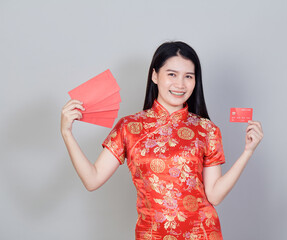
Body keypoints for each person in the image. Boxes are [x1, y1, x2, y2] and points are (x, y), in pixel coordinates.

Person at [61, 41, 264, 240]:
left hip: (202, 233)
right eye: (172, 74)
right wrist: (67, 133)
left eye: (188, 76)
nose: (180, 84)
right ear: (155, 75)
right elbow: (92, 179)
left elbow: (215, 196)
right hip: (151, 234)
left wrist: (247, 152)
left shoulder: (206, 129)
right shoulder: (129, 127)